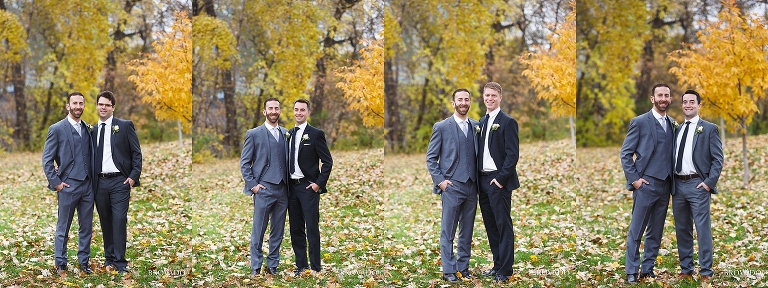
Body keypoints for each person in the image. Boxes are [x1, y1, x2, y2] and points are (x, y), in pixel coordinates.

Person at [620, 83, 674, 284]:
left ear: (670, 99)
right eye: (659, 95)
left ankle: (647, 269)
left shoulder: (672, 123)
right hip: (645, 185)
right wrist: (634, 180)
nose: (663, 98)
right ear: (652, 98)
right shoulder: (640, 122)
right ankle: (631, 271)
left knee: (656, 231)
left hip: (666, 186)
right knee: (637, 230)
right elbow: (626, 153)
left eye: (666, 95)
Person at [426, 89, 480, 282]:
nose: (463, 102)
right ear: (453, 103)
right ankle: (449, 270)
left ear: (470, 102)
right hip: (451, 186)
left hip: (472, 187)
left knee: (467, 230)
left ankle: (463, 267)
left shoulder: (476, 125)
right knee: (448, 230)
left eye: (466, 99)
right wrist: (440, 181)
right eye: (460, 100)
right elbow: (431, 158)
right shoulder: (441, 127)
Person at [672, 90, 723, 282]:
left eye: (692, 102)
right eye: (685, 102)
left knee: (702, 228)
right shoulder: (677, 128)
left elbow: (718, 159)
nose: (688, 105)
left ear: (699, 105)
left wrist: (709, 183)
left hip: (698, 185)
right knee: (682, 229)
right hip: (677, 186)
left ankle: (706, 271)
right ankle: (686, 269)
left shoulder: (709, 128)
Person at [42, 92, 96, 275]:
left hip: (87, 186)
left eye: (81, 103)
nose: (78, 106)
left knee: (86, 227)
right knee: (63, 227)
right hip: (68, 185)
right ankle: (61, 262)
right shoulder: (56, 129)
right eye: (75, 103)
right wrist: (56, 183)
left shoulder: (88, 129)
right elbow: (47, 160)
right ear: (68, 106)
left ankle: (84, 262)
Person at [91, 90, 142, 274]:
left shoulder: (125, 126)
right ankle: (109, 259)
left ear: (113, 107)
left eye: (107, 105)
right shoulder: (92, 130)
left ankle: (120, 262)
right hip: (100, 183)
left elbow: (136, 153)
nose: (103, 107)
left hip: (120, 182)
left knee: (119, 220)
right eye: (100, 104)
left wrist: (133, 177)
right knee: (105, 221)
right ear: (97, 106)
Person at [240, 97, 290, 276]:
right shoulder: (254, 134)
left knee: (278, 231)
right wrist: (253, 185)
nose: (274, 111)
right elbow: (245, 163)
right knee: (258, 231)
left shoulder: (286, 133)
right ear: (264, 111)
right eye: (270, 108)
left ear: (280, 111)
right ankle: (255, 267)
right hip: (263, 189)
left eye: (276, 108)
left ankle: (273, 266)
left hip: (283, 190)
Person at [476, 82, 520, 283]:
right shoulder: (481, 122)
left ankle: (506, 270)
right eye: (487, 95)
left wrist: (501, 179)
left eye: (494, 95)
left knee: (503, 225)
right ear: (483, 97)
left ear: (500, 98)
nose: (490, 99)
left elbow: (513, 155)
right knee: (491, 226)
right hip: (482, 181)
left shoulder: (508, 122)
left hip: (497, 180)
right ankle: (497, 265)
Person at [287, 99, 333, 276]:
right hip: (291, 188)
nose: (299, 113)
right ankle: (301, 266)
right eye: (296, 109)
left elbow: (327, 161)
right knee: (295, 228)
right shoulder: (288, 134)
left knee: (311, 227)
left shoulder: (315, 134)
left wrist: (318, 184)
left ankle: (315, 266)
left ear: (307, 112)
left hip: (308, 187)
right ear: (293, 111)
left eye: (302, 110)